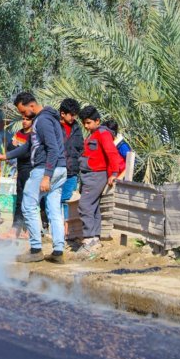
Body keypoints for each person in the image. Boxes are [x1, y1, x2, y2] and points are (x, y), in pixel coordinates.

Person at [0, 92, 68, 264]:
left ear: (31, 106)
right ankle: (58, 252)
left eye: (23, 112)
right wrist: (6, 156)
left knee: (28, 205)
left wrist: (46, 176)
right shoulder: (48, 119)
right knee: (54, 209)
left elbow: (53, 149)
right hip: (60, 169)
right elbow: (29, 145)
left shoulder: (42, 121)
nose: (23, 116)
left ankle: (35, 249)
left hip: (45, 169)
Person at [77, 106, 122, 256]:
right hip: (89, 175)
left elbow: (112, 153)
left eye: (88, 122)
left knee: (85, 205)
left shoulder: (102, 134)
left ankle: (89, 239)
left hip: (96, 175)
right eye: (84, 122)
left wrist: (114, 173)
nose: (86, 126)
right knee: (93, 206)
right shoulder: (93, 134)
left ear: (97, 121)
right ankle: (95, 238)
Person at [0, 116, 33, 240]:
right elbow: (10, 147)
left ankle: (30, 230)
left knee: (30, 201)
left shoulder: (34, 136)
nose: (24, 121)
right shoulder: (19, 134)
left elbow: (26, 152)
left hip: (31, 170)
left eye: (27, 119)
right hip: (21, 170)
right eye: (23, 119)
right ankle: (16, 229)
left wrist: (17, 148)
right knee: (19, 200)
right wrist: (17, 149)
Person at [59, 98, 84, 229]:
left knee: (67, 200)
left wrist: (78, 164)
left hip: (72, 172)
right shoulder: (54, 127)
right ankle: (53, 227)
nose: (73, 117)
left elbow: (81, 148)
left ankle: (67, 230)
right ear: (63, 114)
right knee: (53, 200)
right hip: (56, 170)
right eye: (72, 114)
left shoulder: (76, 128)